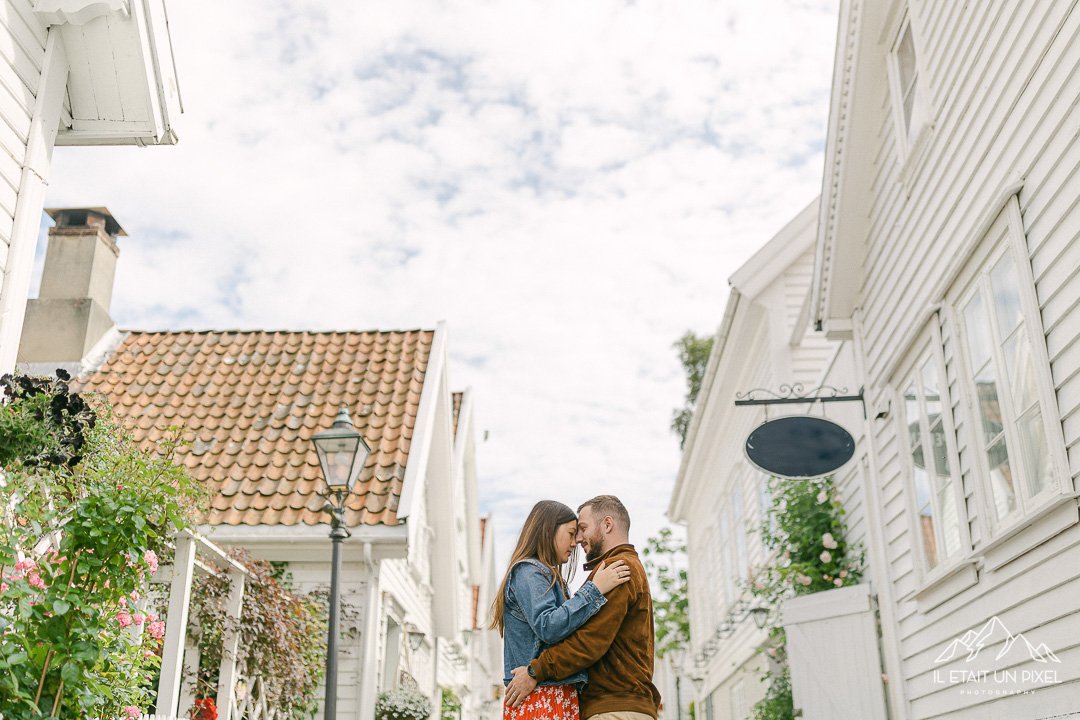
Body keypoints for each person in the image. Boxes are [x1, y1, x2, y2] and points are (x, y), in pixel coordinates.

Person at [505, 495, 661, 720]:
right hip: (613, 705)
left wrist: (535, 670)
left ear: (607, 524)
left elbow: (590, 640)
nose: (577, 539)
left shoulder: (618, 568)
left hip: (614, 707)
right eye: (572, 532)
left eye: (582, 529)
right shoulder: (614, 570)